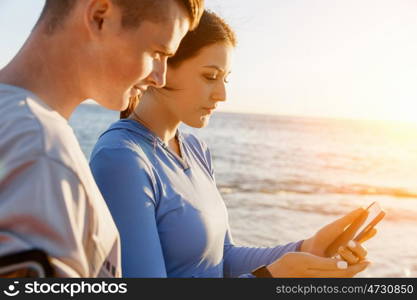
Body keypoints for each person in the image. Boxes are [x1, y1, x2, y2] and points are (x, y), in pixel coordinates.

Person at [90, 10, 373, 278]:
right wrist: (272, 278)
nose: (223, 94)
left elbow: (222, 259)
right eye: (210, 77)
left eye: (225, 79)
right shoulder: (121, 158)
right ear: (164, 64)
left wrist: (306, 248)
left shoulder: (195, 150)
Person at [0, 0, 204, 277]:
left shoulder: (20, 130)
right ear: (100, 17)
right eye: (157, 52)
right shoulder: (40, 151)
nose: (160, 77)